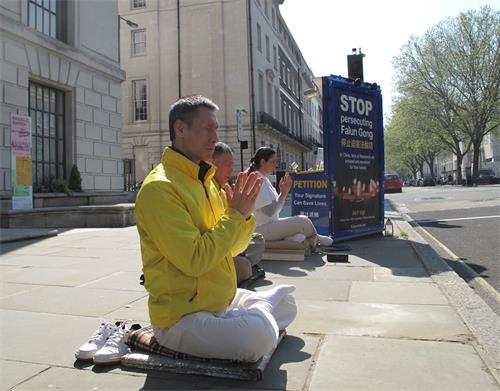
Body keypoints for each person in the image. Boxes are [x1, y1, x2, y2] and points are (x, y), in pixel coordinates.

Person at [135, 95, 296, 362]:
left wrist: (243, 216)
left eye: (216, 129)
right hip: (182, 316)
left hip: (219, 300)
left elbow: (235, 247)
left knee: (288, 305)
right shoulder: (160, 188)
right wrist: (234, 215)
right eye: (207, 129)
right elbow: (195, 260)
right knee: (259, 337)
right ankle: (256, 314)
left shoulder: (207, 182)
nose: (215, 137)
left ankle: (253, 312)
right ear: (180, 129)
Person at [247, 147, 333, 247]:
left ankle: (306, 240)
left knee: (299, 235)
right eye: (273, 161)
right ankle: (316, 238)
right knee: (303, 221)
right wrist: (283, 193)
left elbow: (276, 210)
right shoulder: (257, 178)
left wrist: (284, 192)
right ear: (262, 162)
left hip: (270, 225)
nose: (276, 165)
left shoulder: (264, 178)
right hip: (260, 229)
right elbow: (269, 211)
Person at [211, 142, 266, 284]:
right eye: (227, 164)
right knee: (244, 266)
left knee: (258, 240)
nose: (231, 170)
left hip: (228, 249)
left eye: (232, 165)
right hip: (216, 255)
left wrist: (245, 217)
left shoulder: (222, 191)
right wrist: (236, 213)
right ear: (212, 163)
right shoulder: (205, 190)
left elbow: (235, 243)